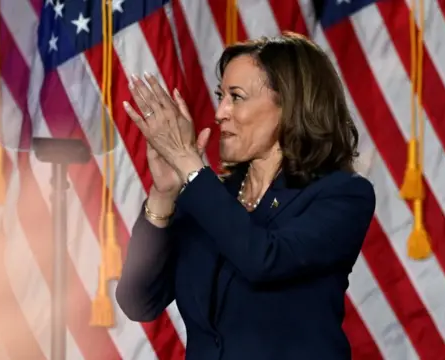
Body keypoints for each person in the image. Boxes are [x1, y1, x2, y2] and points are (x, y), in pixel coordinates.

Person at [116, 32, 376, 360]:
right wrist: (163, 195)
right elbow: (138, 301)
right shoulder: (210, 198)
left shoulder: (341, 195)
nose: (220, 111)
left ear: (289, 105)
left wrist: (188, 163)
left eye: (236, 97)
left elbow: (264, 259)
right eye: (220, 96)